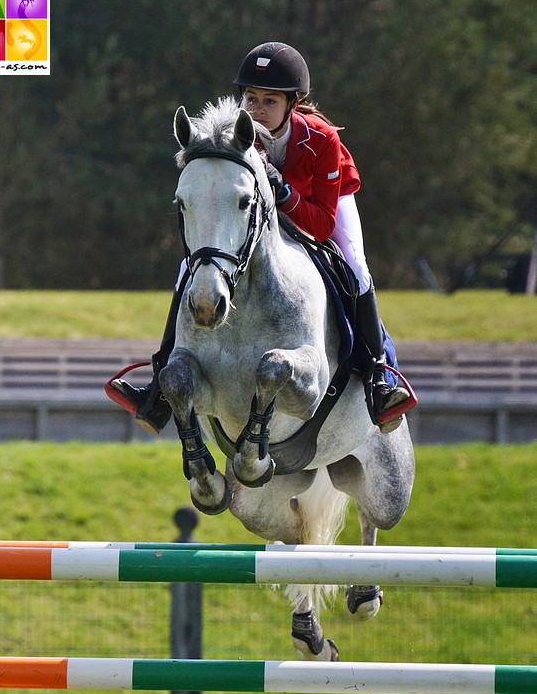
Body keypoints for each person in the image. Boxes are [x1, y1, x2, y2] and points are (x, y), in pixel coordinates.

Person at [113, 41, 414, 435]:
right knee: (189, 266)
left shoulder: (322, 141)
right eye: (250, 98)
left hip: (323, 204)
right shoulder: (239, 137)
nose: (256, 110)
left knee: (355, 264)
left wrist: (285, 194)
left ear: (294, 102)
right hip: (262, 218)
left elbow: (321, 225)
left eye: (269, 101)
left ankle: (379, 375)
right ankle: (159, 382)